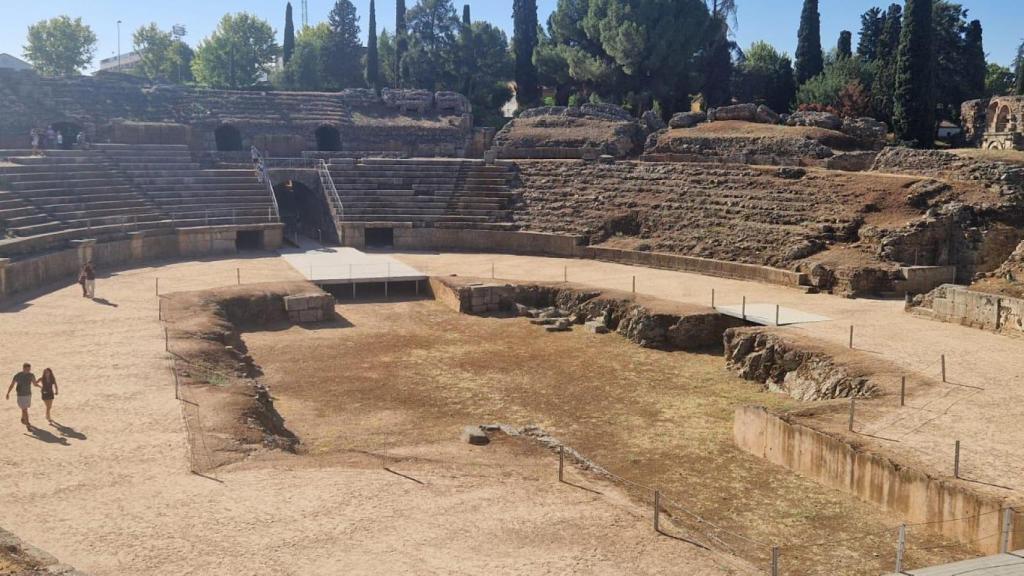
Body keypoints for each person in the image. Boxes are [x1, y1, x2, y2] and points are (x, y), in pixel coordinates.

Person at [6, 363, 36, 428]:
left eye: (29, 369)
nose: (28, 371)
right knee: (25, 409)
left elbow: (34, 383)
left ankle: (23, 419)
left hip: (28, 394)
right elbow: (12, 385)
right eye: (27, 369)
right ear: (23, 368)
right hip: (21, 395)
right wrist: (8, 393)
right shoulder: (18, 375)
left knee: (24, 409)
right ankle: (27, 423)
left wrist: (41, 386)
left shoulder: (31, 375)